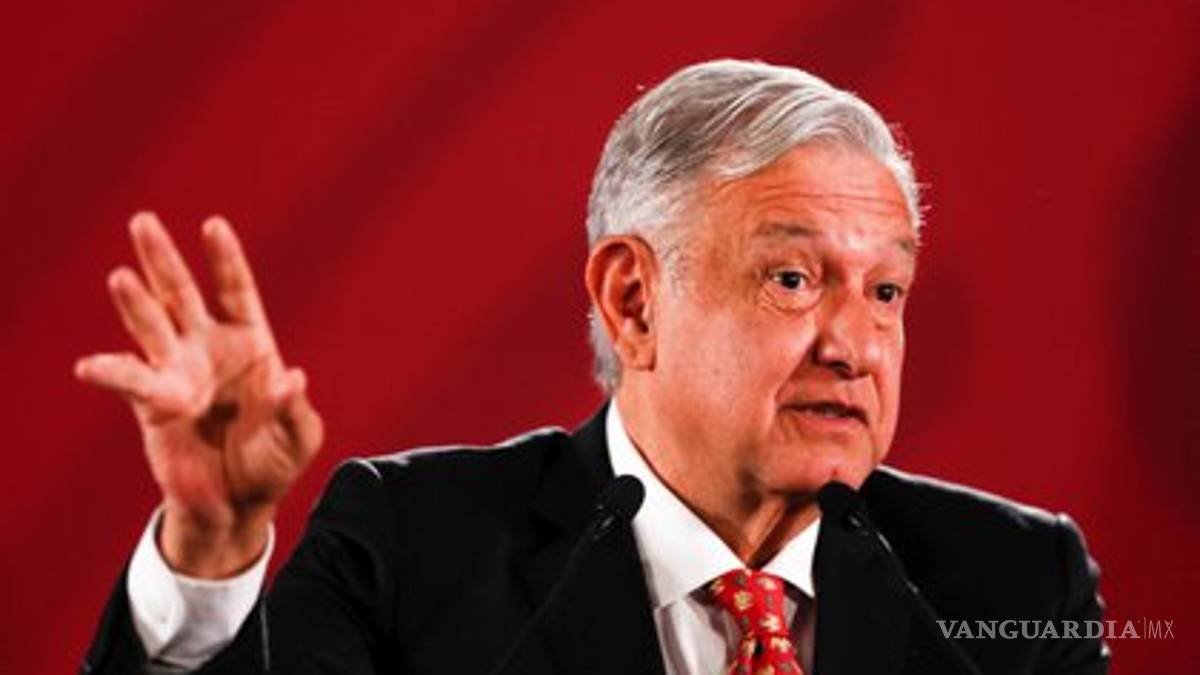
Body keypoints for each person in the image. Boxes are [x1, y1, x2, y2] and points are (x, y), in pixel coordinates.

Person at [77, 59, 1109, 674]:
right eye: (793, 279)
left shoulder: (1015, 579)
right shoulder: (408, 547)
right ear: (632, 300)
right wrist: (209, 554)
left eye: (886, 291)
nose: (856, 345)